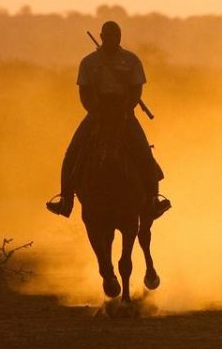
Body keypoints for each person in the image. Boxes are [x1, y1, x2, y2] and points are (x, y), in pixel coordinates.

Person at [45, 21, 172, 219]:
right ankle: (66, 200)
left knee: (144, 153)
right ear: (102, 37)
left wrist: (124, 110)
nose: (112, 39)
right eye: (108, 36)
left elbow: (136, 90)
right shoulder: (89, 62)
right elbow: (84, 93)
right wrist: (96, 112)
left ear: (120, 37)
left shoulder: (131, 60)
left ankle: (154, 200)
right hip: (97, 114)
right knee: (72, 153)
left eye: (115, 36)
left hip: (125, 114)